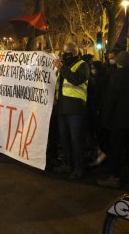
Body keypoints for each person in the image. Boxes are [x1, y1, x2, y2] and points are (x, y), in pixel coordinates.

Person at [53, 42, 90, 179]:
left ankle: (78, 168)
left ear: (74, 52)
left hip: (75, 109)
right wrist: (55, 97)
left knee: (75, 140)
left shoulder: (82, 65)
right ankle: (66, 164)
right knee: (64, 139)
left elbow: (77, 79)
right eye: (64, 50)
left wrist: (62, 68)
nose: (65, 53)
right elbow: (59, 85)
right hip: (62, 108)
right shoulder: (65, 66)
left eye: (67, 51)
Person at [97, 51, 129, 188]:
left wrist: (105, 121)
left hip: (118, 121)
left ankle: (115, 177)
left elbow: (110, 100)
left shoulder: (116, 76)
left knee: (116, 150)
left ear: (119, 62)